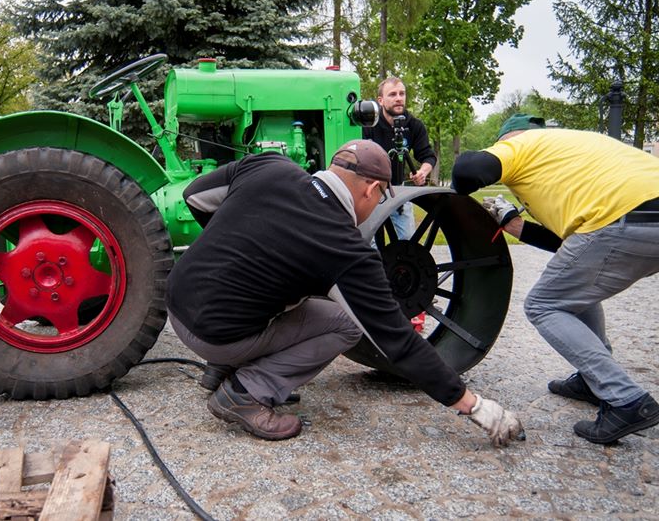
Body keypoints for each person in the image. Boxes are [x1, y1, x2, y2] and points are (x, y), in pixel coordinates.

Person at [166, 139, 524, 446]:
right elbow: (396, 340)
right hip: (217, 337)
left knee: (296, 298)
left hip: (177, 301)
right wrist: (474, 405)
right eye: (381, 197)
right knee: (344, 324)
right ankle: (246, 392)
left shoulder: (269, 166)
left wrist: (232, 252)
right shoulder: (343, 247)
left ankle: (223, 367)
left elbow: (193, 195)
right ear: (371, 189)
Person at [452, 113, 659, 444]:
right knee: (572, 288)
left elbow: (467, 170)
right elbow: (570, 247)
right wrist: (515, 224)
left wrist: (457, 191)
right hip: (641, 214)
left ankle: (625, 399)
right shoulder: (573, 148)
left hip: (623, 217)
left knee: (543, 304)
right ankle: (594, 379)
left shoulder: (522, 145)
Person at [363, 76, 437, 240]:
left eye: (402, 94)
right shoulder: (369, 125)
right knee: (369, 243)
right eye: (392, 94)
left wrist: (423, 172)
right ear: (380, 100)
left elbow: (428, 156)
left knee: (407, 240)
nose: (398, 98)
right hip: (370, 191)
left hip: (398, 190)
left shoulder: (414, 125)